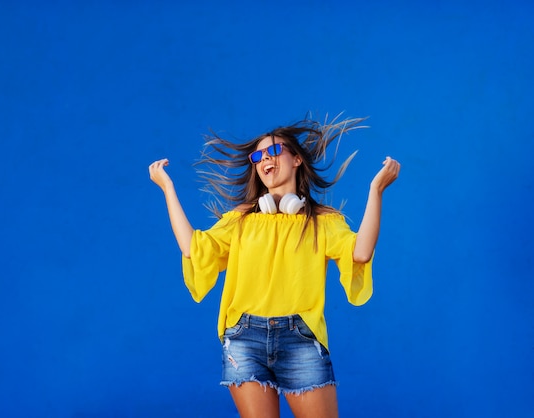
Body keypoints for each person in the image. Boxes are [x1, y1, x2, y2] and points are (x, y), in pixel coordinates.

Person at [148, 116, 400, 418]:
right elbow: (193, 248)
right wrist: (167, 189)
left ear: (296, 159)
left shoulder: (322, 222)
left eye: (274, 151)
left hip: (300, 337)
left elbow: (360, 253)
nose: (264, 158)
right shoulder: (240, 221)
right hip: (243, 336)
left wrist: (376, 191)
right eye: (258, 156)